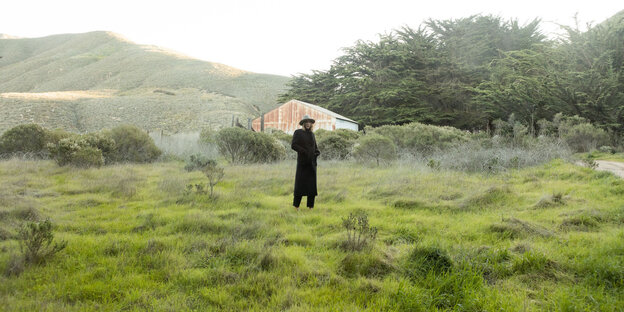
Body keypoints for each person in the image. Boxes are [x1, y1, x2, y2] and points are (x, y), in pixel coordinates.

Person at [291, 115, 320, 210]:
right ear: (303, 123)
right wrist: (303, 151)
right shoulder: (298, 132)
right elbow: (294, 145)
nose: (308, 123)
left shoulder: (312, 134)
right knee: (300, 185)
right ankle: (296, 206)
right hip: (302, 163)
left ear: (311, 124)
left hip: (312, 163)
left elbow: (315, 146)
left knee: (311, 186)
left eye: (309, 122)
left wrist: (316, 153)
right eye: (306, 122)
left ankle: (310, 207)